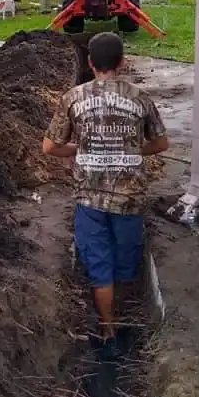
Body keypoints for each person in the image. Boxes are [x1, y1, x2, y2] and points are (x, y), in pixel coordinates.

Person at [42, 32, 169, 360]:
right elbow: (160, 143)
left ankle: (107, 327)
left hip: (90, 199)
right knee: (126, 261)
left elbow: (50, 147)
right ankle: (125, 317)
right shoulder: (140, 98)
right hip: (129, 198)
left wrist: (81, 148)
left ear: (89, 63)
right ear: (122, 62)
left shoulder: (73, 97)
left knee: (99, 264)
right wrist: (129, 147)